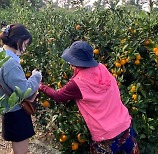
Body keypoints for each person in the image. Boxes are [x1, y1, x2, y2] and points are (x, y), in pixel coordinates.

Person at [39, 41, 139, 154]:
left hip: (105, 136)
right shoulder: (102, 68)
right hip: (125, 126)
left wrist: (40, 86)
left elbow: (58, 96)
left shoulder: (78, 83)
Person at [0, 24, 42, 154]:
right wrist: (36, 77)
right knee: (21, 151)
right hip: (16, 112)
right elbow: (24, 90)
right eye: (25, 44)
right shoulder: (10, 63)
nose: (25, 48)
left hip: (8, 109)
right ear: (18, 41)